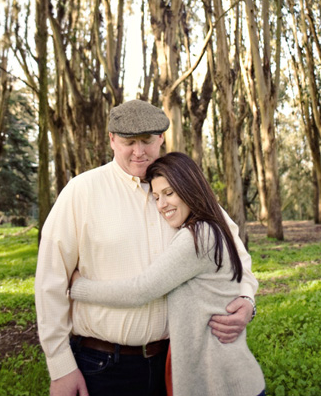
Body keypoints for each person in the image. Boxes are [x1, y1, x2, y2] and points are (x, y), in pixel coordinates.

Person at [35, 99, 258, 396]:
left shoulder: (183, 189)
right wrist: (61, 365)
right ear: (112, 139)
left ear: (162, 138)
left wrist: (246, 299)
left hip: (176, 363)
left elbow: (233, 251)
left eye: (147, 141)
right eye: (129, 142)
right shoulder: (82, 191)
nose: (139, 152)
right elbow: (50, 280)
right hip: (104, 365)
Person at [69, 152, 266, 396]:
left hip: (222, 384)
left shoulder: (196, 237)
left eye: (169, 193)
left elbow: (140, 290)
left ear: (189, 188)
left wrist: (77, 286)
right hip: (228, 379)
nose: (162, 205)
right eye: (156, 197)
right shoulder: (210, 226)